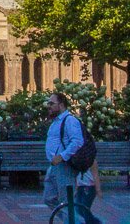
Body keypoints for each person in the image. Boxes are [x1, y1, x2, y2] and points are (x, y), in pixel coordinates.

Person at [43, 92, 84, 224]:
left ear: (61, 105)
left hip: (64, 166)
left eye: (51, 103)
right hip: (54, 166)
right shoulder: (55, 121)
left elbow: (77, 141)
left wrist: (62, 156)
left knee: (66, 201)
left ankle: (75, 222)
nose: (48, 106)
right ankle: (76, 221)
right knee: (48, 198)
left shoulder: (70, 120)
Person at [74, 159, 103, 224]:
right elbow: (76, 175)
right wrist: (76, 188)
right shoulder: (76, 160)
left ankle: (93, 222)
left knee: (85, 208)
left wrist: (98, 190)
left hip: (89, 186)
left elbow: (95, 176)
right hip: (80, 186)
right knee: (78, 209)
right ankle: (95, 221)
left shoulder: (92, 161)